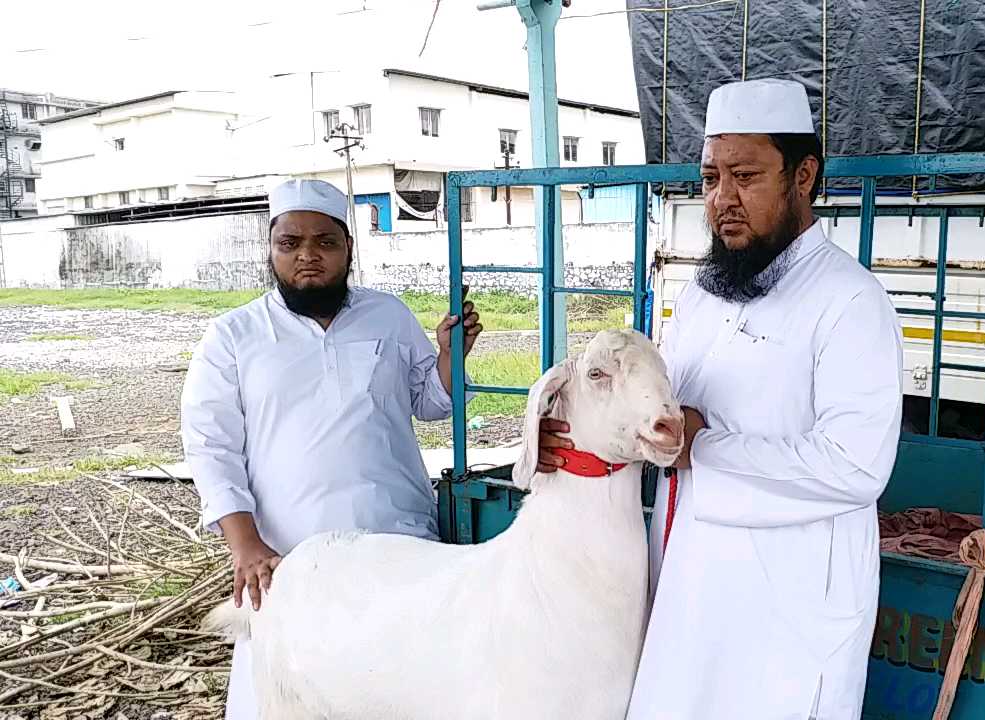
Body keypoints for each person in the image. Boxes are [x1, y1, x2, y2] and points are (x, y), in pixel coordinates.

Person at [538, 78, 904, 719]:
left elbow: (857, 465)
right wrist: (570, 437)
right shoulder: (706, 294)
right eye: (710, 178)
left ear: (803, 176)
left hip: (787, 607)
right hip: (690, 581)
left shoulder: (850, 300)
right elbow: (655, 417)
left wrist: (703, 445)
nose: (722, 200)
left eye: (746, 176)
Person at [180, 178, 481, 720]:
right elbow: (210, 447)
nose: (308, 257)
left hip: (396, 544)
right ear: (270, 251)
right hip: (289, 561)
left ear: (348, 249)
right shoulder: (233, 336)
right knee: (291, 698)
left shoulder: (388, 316)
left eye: (325, 242)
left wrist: (447, 357)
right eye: (290, 243)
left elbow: (431, 403)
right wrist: (245, 546)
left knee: (397, 688)